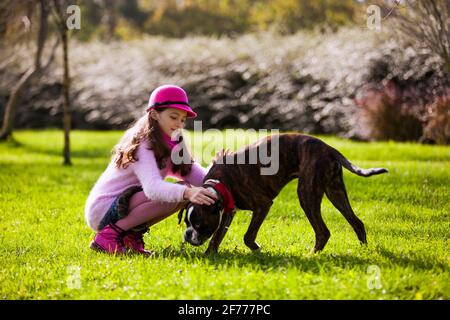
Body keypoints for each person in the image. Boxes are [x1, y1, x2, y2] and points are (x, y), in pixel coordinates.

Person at [84, 84, 224, 256]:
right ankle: (108, 236)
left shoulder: (172, 145)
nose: (179, 124)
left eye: (182, 119)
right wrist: (187, 193)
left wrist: (218, 167)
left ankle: (130, 236)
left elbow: (198, 179)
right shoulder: (143, 143)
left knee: (185, 189)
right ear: (154, 114)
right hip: (104, 209)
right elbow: (153, 188)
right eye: (173, 117)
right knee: (182, 192)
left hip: (126, 204)